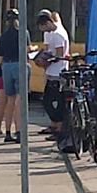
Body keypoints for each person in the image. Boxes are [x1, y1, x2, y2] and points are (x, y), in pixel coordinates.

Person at [0, 9, 30, 143]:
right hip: (19, 65)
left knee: (10, 101)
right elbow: (26, 51)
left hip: (6, 67)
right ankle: (19, 131)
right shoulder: (23, 33)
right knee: (20, 100)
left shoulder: (3, 36)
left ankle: (7, 132)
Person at [37, 10, 70, 141]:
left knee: (53, 101)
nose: (44, 31)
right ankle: (55, 125)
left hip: (57, 73)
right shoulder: (55, 33)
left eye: (43, 27)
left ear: (48, 23)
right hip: (52, 72)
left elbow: (59, 55)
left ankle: (59, 128)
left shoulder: (58, 35)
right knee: (50, 100)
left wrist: (45, 61)